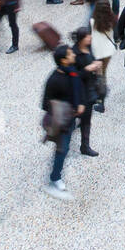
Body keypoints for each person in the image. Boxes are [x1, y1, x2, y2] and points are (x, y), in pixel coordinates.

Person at [41, 45, 84, 199]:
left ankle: (56, 171)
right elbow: (45, 104)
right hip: (61, 120)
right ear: (64, 60)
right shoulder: (54, 80)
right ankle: (54, 179)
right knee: (62, 149)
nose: (73, 53)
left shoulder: (71, 72)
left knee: (64, 147)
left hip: (70, 118)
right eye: (70, 53)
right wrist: (65, 108)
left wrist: (79, 104)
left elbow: (77, 89)